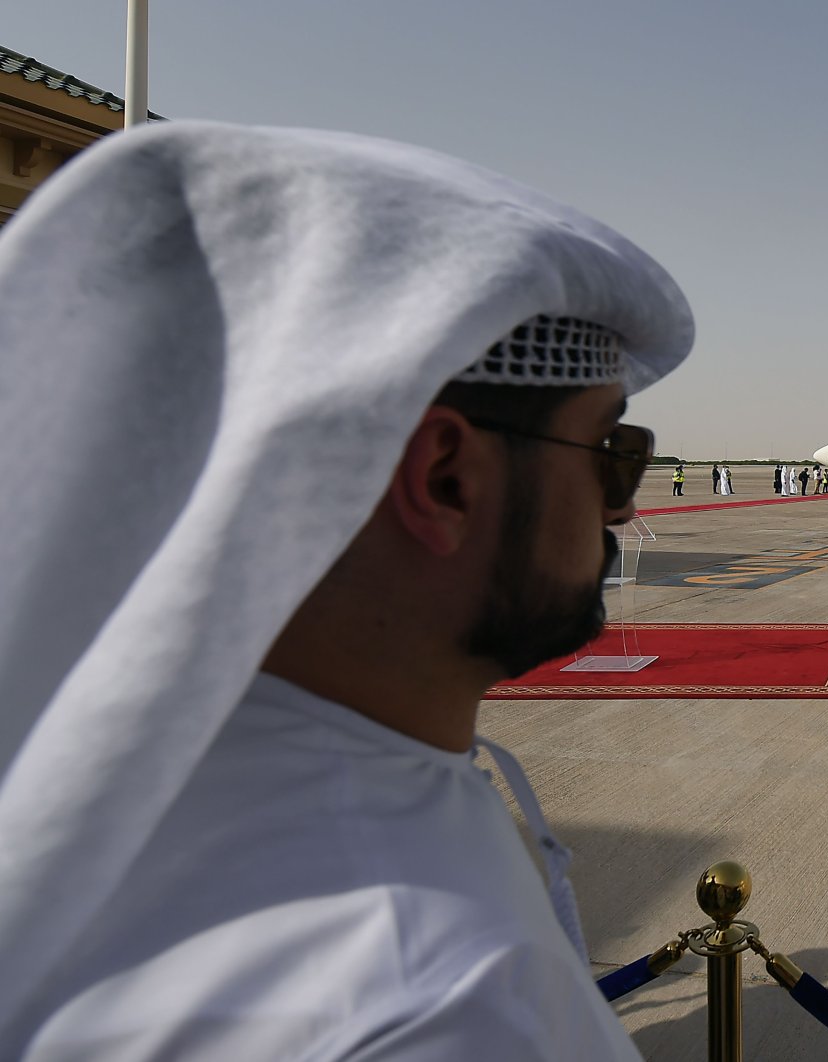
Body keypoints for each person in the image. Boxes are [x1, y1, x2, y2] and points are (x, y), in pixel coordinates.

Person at [0, 122, 694, 1057]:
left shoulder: (117, 775)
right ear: (445, 477)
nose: (618, 510)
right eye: (613, 451)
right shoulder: (438, 1000)